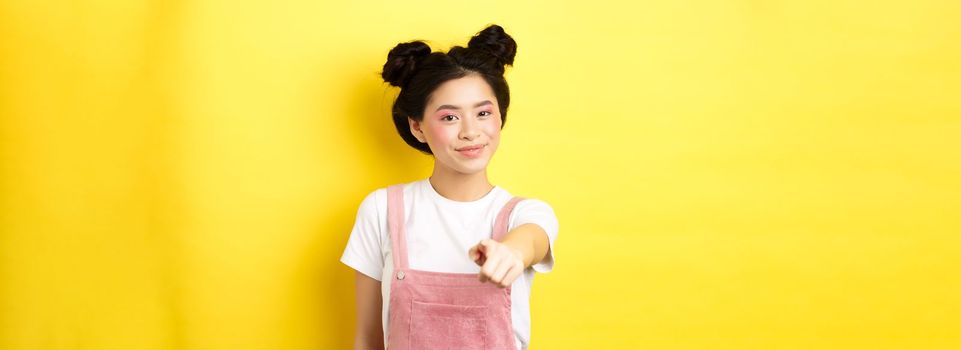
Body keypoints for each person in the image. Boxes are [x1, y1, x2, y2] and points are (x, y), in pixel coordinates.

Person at [340, 24, 559, 350]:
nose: (471, 132)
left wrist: (511, 252)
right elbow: (367, 339)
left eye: (483, 112)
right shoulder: (382, 210)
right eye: (449, 118)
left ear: (500, 118)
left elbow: (532, 239)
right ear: (417, 127)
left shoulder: (524, 214)